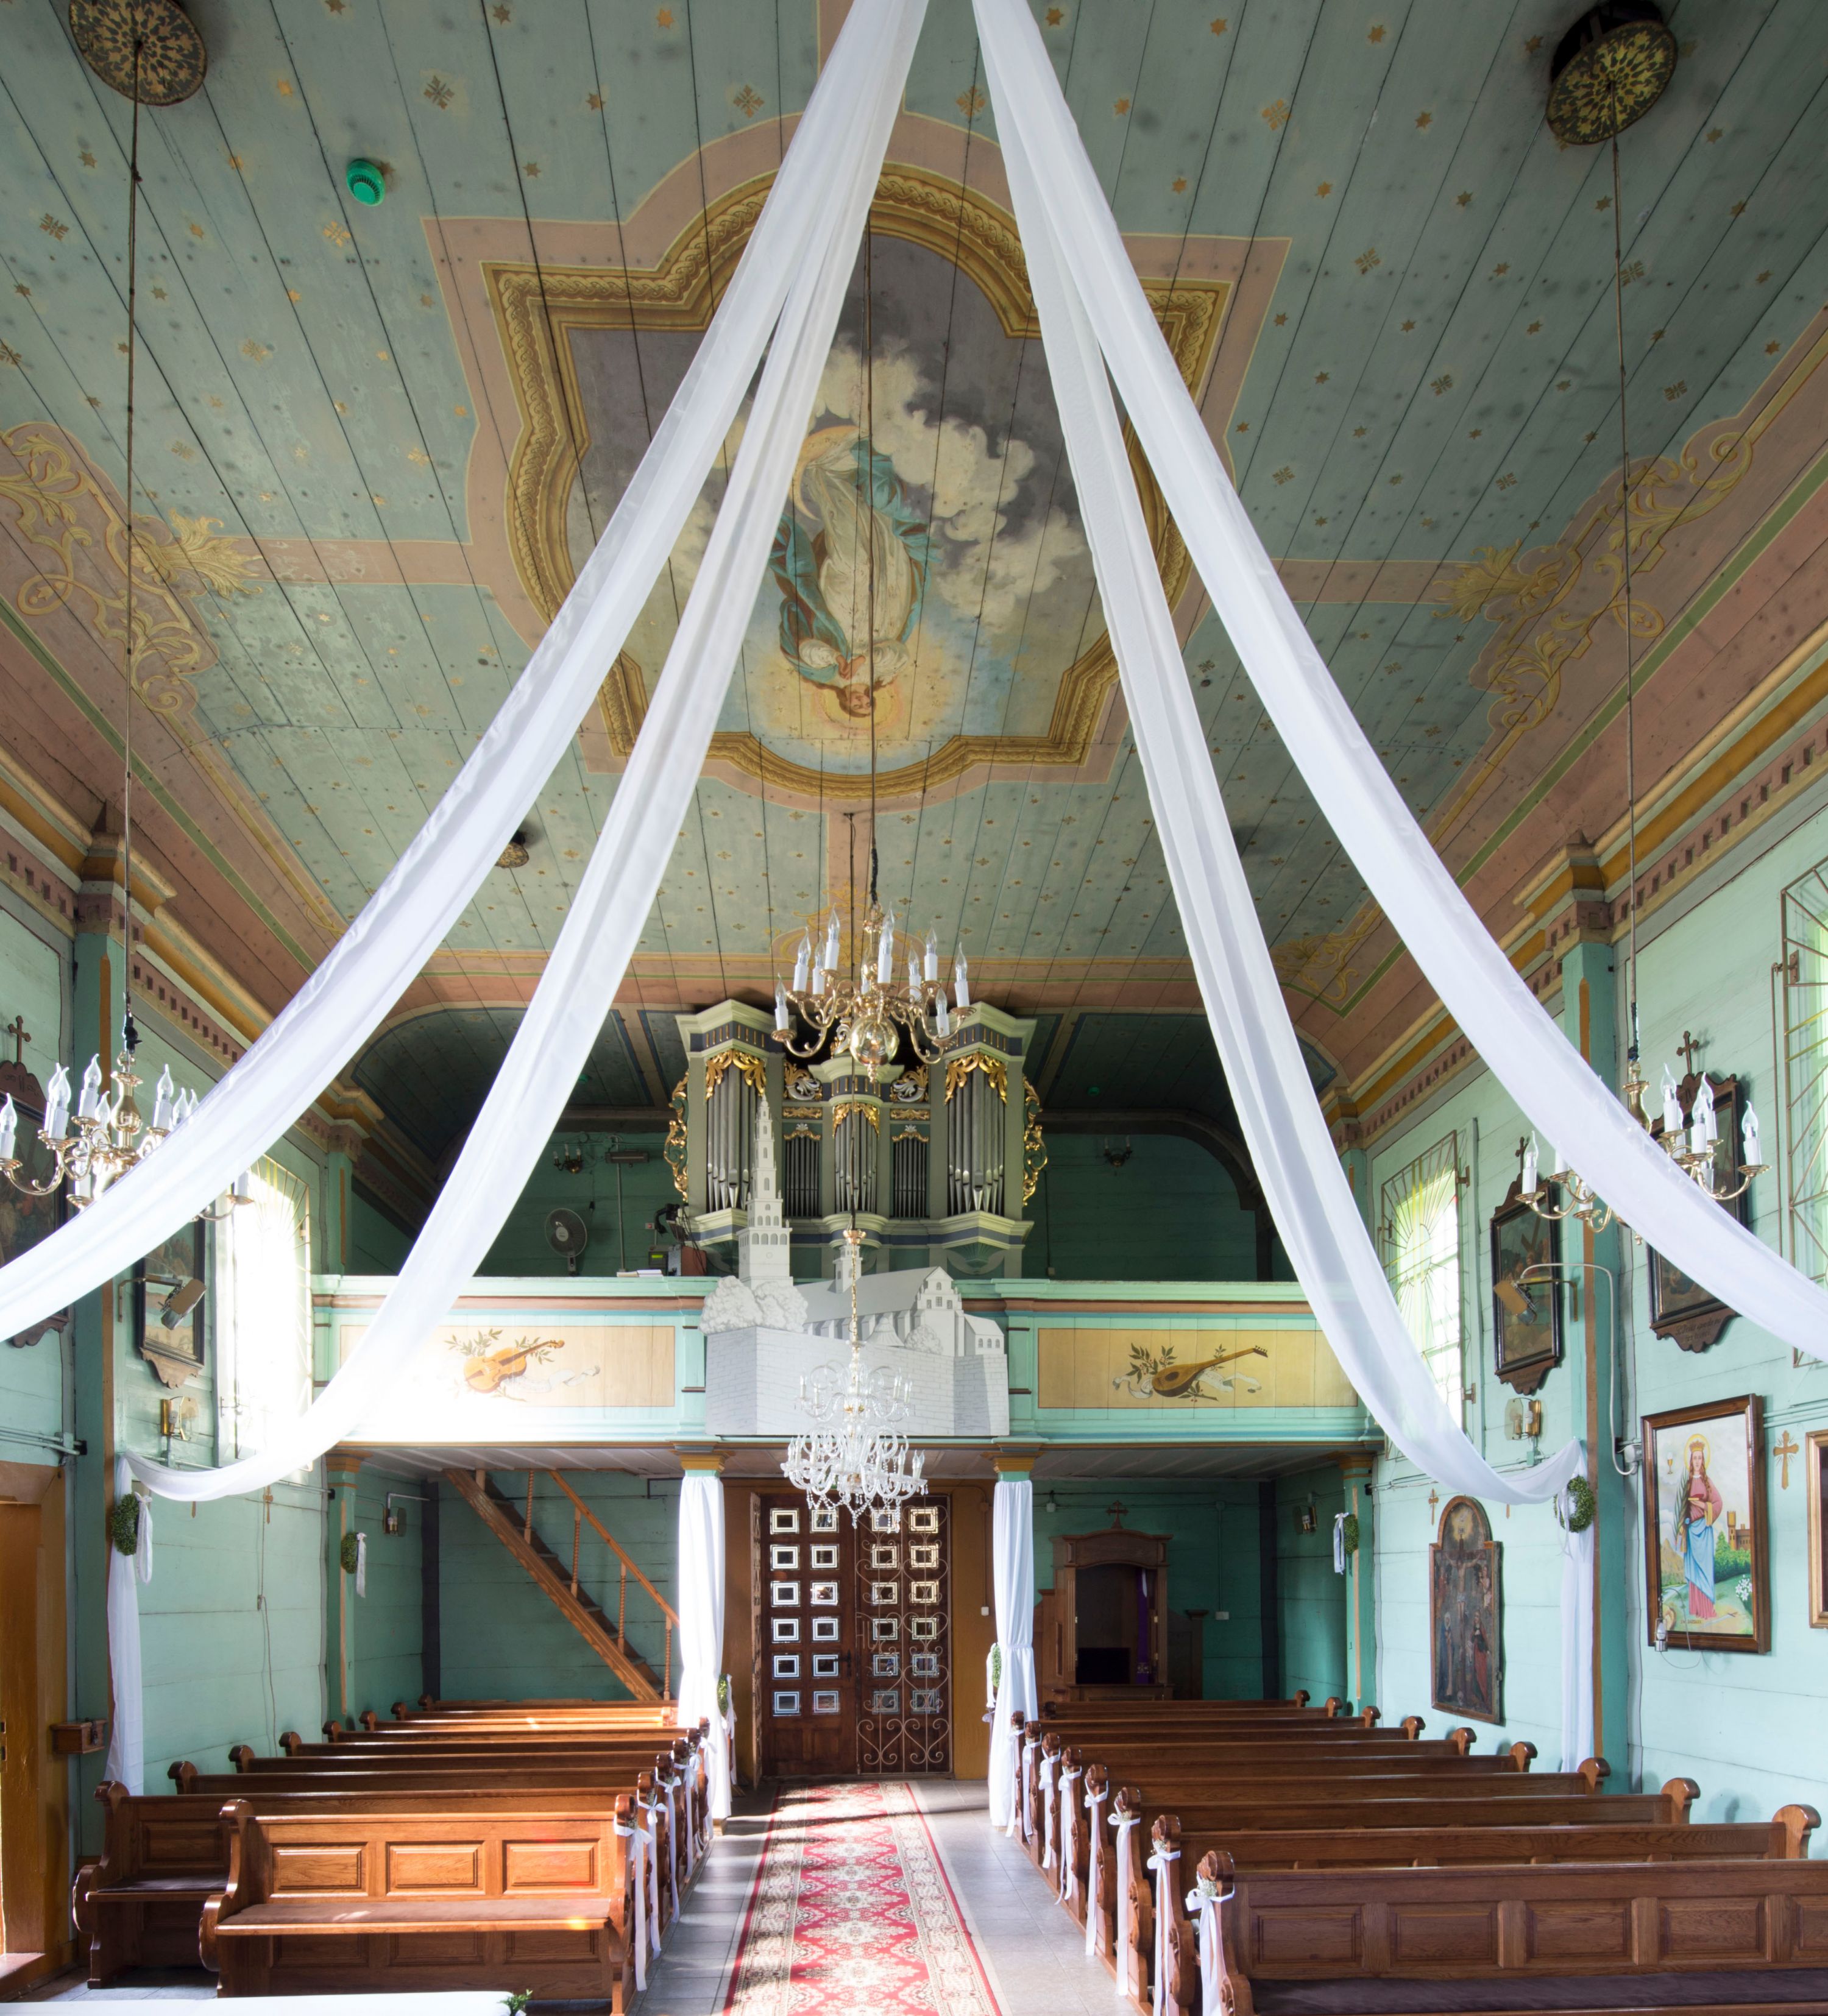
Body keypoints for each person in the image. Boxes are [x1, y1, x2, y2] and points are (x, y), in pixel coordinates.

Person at [1678, 1434, 1723, 1621]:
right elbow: (1682, 1508)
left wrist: (1703, 1505)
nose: (1697, 1461)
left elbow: (1718, 1503)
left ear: (1703, 1460)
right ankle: (1696, 1609)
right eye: (1695, 1458)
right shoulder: (1687, 1483)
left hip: (1704, 1531)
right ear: (1691, 1460)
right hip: (1691, 1532)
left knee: (1704, 1569)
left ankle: (1707, 1610)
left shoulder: (1707, 1482)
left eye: (1700, 1458)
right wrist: (1682, 1526)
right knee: (1694, 1570)